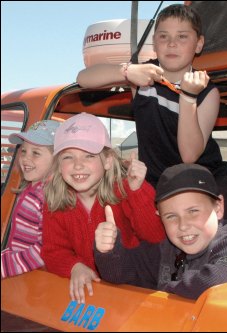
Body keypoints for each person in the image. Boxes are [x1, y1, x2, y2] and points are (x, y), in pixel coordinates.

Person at [76, 4, 227, 270]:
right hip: (159, 185)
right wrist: (127, 71)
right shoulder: (142, 78)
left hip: (210, 179)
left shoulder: (206, 92)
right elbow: (84, 78)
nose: (172, 43)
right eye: (163, 36)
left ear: (198, 44)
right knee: (152, 254)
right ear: (155, 44)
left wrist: (188, 97)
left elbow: (189, 155)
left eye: (182, 36)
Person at [41, 112, 165, 304]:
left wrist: (137, 191)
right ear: (58, 165)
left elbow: (156, 236)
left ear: (107, 161)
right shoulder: (55, 202)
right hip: (92, 295)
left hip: (134, 291)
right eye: (68, 157)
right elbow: (53, 251)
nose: (78, 165)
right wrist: (74, 267)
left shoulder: (125, 191)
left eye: (89, 155)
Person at [94, 163, 227, 300]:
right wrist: (108, 250)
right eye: (171, 216)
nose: (183, 225)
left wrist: (162, 289)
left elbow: (215, 284)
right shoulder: (166, 248)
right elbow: (120, 273)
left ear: (218, 207)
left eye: (193, 211)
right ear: (159, 217)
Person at [1, 120, 60, 279]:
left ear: (57, 158)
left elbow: (44, 249)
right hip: (23, 269)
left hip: (36, 277)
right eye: (23, 151)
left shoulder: (48, 196)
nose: (26, 159)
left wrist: (5, 266)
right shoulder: (31, 188)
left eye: (36, 153)